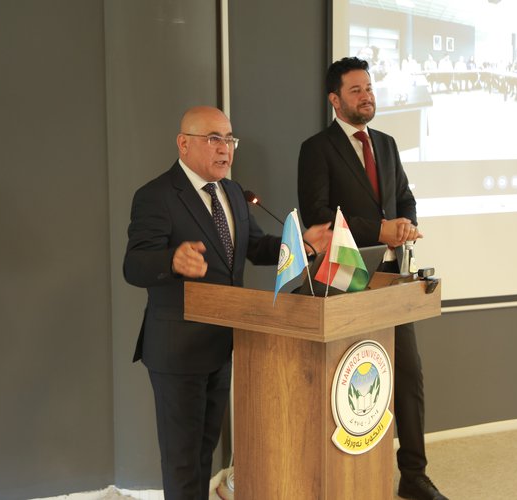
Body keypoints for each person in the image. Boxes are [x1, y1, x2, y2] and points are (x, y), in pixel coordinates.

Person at [124, 106, 329, 500]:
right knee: (183, 460)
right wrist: (171, 260)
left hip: (223, 344)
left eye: (230, 139)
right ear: (184, 144)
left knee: (205, 452)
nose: (225, 148)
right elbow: (133, 264)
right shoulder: (156, 196)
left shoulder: (232, 192)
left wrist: (301, 245)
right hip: (177, 350)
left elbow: (256, 246)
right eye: (213, 139)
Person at [297, 58, 447, 500]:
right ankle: (345, 477)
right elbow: (318, 217)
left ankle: (414, 475)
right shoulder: (317, 148)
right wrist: (379, 229)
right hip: (344, 281)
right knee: (351, 379)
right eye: (356, 90)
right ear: (335, 99)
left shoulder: (386, 143)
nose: (367, 96)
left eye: (369, 88)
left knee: (409, 376)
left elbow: (404, 198)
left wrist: (405, 226)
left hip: (392, 279)